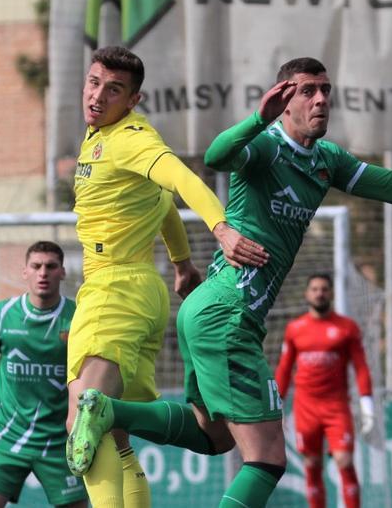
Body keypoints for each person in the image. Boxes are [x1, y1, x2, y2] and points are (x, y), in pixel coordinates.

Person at [69, 57, 392, 507]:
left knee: (213, 436)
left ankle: (108, 410)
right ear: (284, 99)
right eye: (306, 91)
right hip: (227, 312)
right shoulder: (265, 147)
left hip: (210, 311)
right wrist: (258, 119)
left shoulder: (327, 159)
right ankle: (104, 411)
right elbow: (217, 157)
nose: (319, 99)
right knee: (268, 457)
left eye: (324, 90)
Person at [65, 45, 269, 508]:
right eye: (94, 82)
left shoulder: (131, 138)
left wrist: (221, 229)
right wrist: (181, 262)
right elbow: (162, 203)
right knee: (115, 434)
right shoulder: (101, 137)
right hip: (144, 292)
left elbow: (179, 177)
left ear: (133, 100)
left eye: (114, 90)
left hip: (113, 290)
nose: (98, 95)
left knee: (82, 422)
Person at [0, 241, 88, 508]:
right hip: (7, 436)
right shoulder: (1, 315)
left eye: (51, 266)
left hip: (59, 440)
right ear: (25, 272)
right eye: (37, 266)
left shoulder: (78, 318)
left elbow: (90, 377)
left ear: (63, 272)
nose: (43, 273)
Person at [276, 272, 374, 508]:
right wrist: (277, 406)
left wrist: (367, 405)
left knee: (344, 460)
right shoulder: (295, 329)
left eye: (324, 289)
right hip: (306, 408)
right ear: (307, 294)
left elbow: (361, 367)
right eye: (315, 289)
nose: (320, 293)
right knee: (311, 464)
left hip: (336, 407)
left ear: (331, 293)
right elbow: (284, 369)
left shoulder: (347, 328)